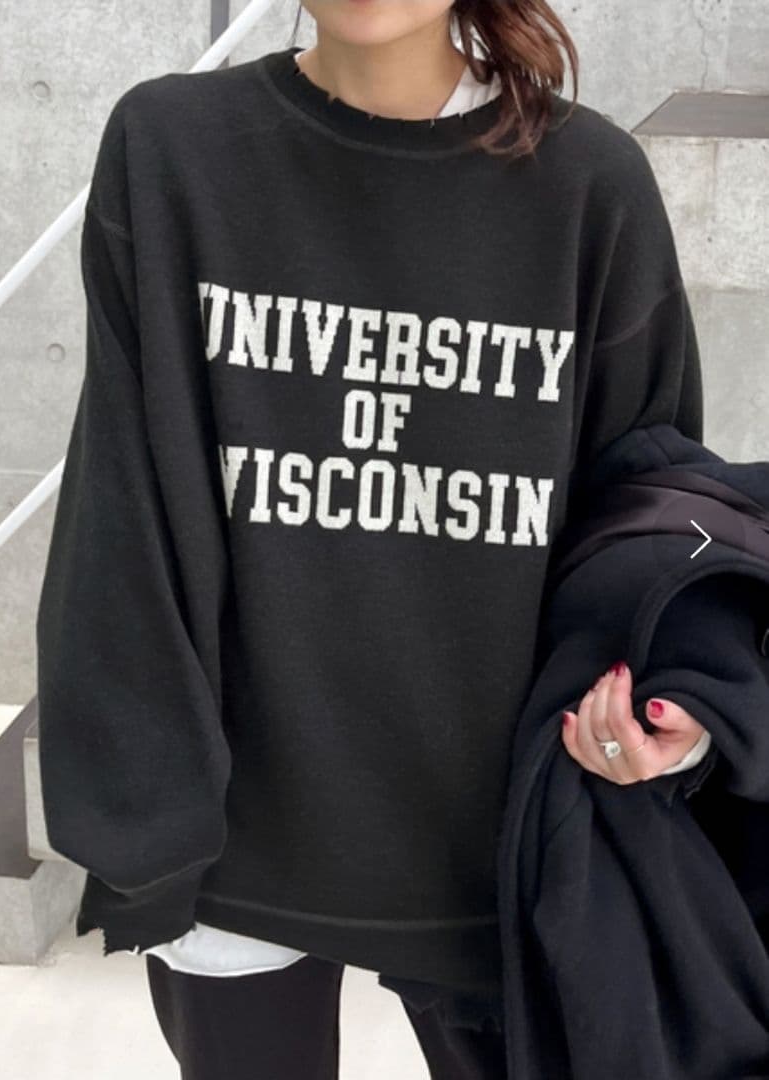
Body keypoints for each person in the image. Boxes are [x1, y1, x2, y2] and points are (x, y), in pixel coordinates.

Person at [35, 1, 714, 1077]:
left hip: (495, 846)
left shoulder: (587, 184)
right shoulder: (175, 149)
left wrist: (678, 705)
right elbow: (126, 499)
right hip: (235, 839)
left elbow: (647, 512)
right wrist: (144, 821)